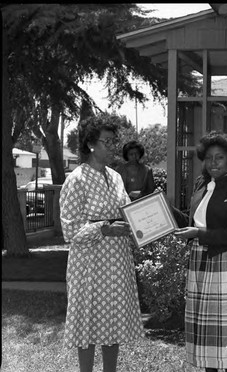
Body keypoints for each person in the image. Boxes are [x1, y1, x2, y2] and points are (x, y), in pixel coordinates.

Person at [59, 116, 143, 372]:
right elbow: (70, 230)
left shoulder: (116, 177)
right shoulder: (76, 180)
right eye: (106, 141)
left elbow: (128, 213)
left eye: (113, 141)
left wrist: (145, 223)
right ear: (91, 144)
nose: (112, 146)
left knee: (112, 323)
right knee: (87, 323)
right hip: (90, 264)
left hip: (116, 262)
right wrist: (104, 228)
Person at [174, 131, 227, 372]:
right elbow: (195, 220)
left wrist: (199, 234)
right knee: (204, 329)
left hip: (225, 261)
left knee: (223, 330)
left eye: (219, 158)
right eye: (209, 158)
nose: (213, 163)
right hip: (199, 259)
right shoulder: (201, 184)